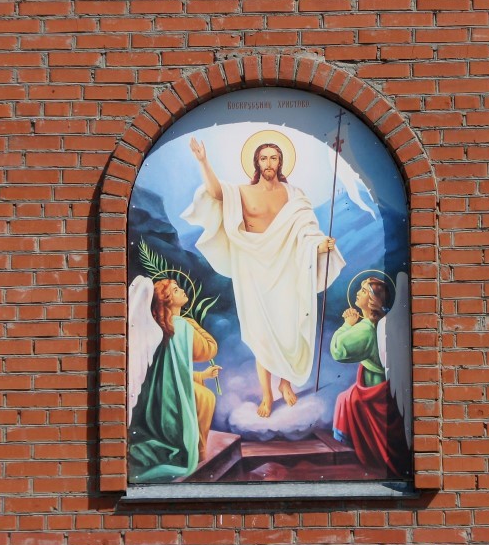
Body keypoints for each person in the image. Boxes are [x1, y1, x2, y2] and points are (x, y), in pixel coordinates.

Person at [182, 136, 345, 417]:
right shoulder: (242, 192)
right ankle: (267, 395)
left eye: (274, 158)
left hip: (288, 267)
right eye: (263, 158)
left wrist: (318, 245)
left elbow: (307, 230)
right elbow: (217, 193)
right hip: (254, 269)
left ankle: (285, 383)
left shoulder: (294, 195)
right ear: (256, 163)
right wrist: (203, 161)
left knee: (290, 328)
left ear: (281, 162)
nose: (269, 163)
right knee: (262, 335)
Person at [128, 278, 221, 483]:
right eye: (176, 290)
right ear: (168, 300)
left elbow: (173, 373)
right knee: (206, 397)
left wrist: (201, 376)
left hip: (157, 396)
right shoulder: (182, 326)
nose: (182, 291)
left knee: (201, 394)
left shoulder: (158, 327)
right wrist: (193, 323)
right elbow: (209, 349)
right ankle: (199, 449)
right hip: (170, 397)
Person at [330, 277, 411, 478]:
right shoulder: (378, 324)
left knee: (345, 400)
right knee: (345, 397)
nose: (358, 293)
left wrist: (347, 325)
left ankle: (356, 449)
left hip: (374, 392)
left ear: (374, 300)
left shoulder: (366, 328)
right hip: (377, 385)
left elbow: (338, 351)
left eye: (364, 291)